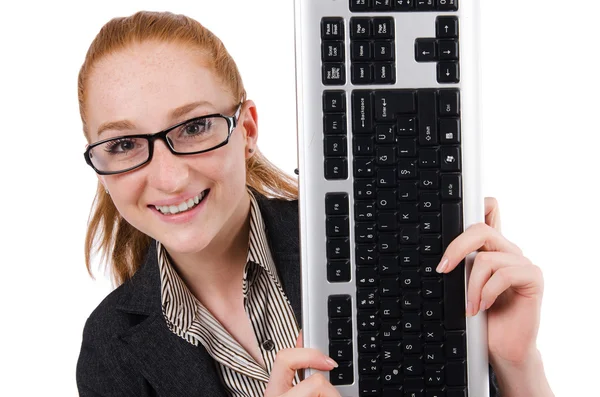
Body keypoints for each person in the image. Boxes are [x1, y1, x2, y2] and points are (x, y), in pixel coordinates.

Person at [76, 10, 554, 397]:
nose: (170, 176)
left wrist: (517, 367)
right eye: (123, 145)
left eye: (195, 127)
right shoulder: (109, 353)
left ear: (247, 130)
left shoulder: (376, 231)